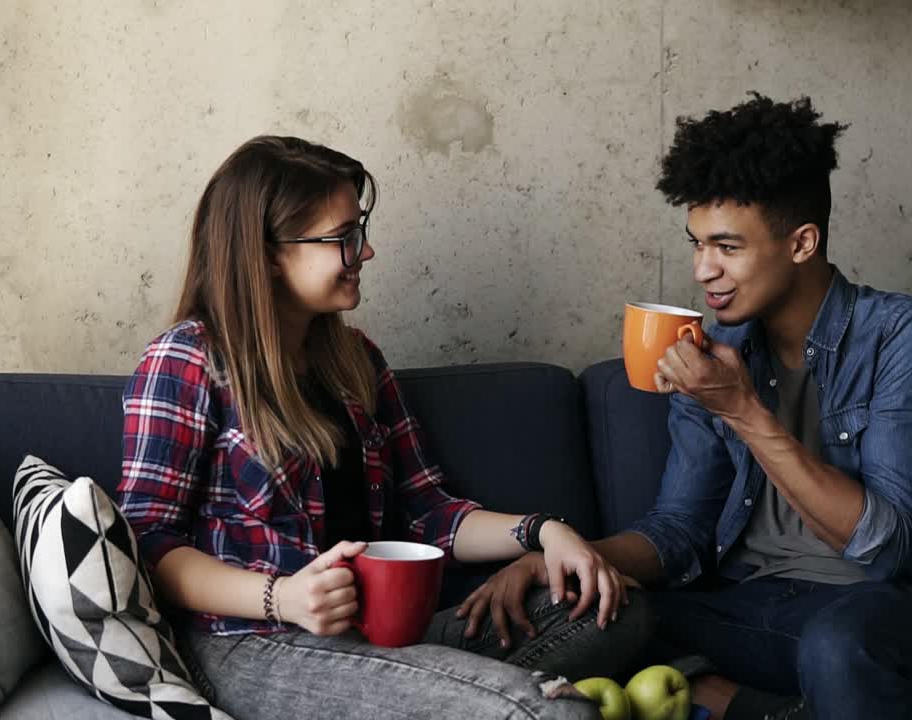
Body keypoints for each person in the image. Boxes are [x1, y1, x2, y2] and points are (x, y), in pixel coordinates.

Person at [458, 94, 912, 720]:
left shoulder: (899, 333)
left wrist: (742, 409)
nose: (702, 270)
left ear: (801, 243)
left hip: (880, 607)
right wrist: (558, 556)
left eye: (727, 247)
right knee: (594, 610)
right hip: (750, 603)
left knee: (839, 649)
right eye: (696, 245)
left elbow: (887, 545)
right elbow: (680, 529)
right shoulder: (718, 348)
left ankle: (737, 700)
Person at [116, 135, 647, 720]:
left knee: (619, 608)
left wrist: (545, 532)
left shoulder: (357, 361)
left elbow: (429, 511)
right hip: (253, 644)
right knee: (553, 714)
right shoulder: (186, 359)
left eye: (357, 232)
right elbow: (149, 542)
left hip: (381, 634)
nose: (364, 253)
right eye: (342, 238)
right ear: (267, 253)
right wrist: (284, 598)